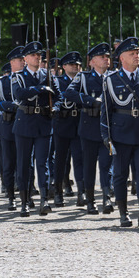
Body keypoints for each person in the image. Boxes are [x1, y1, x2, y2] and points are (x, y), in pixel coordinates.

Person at [100, 37, 139, 227]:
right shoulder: (111, 80)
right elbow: (106, 112)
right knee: (120, 174)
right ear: (121, 58)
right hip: (120, 133)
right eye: (132, 54)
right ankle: (123, 213)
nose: (137, 56)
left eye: (138, 53)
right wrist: (106, 135)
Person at [63, 42, 115, 215]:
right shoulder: (83, 77)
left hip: (108, 126)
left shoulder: (113, 76)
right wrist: (91, 101)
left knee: (106, 165)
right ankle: (90, 200)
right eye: (102, 57)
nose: (106, 60)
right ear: (92, 61)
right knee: (89, 165)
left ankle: (106, 197)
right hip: (89, 126)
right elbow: (69, 93)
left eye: (107, 57)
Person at [13, 41, 56, 217]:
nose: (37, 58)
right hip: (25, 122)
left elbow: (58, 95)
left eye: (39, 55)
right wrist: (39, 89)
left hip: (44, 122)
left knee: (42, 163)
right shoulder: (19, 76)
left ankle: (44, 200)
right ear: (25, 59)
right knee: (24, 164)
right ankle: (24, 201)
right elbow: (19, 94)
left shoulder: (48, 75)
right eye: (33, 55)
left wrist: (57, 107)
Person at [0, 48, 24, 210]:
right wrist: (9, 106)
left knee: (25, 163)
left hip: (27, 123)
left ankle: (26, 194)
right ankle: (11, 195)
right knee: (9, 162)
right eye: (19, 59)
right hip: (8, 123)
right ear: (12, 62)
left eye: (24, 58)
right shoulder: (1, 82)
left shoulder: (31, 79)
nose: (23, 61)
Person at [51, 51, 85, 208]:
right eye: (72, 64)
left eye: (78, 65)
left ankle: (81, 192)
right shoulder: (57, 81)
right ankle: (58, 191)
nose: (76, 67)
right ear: (64, 66)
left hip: (78, 122)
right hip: (63, 122)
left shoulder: (83, 80)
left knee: (79, 159)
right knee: (61, 160)